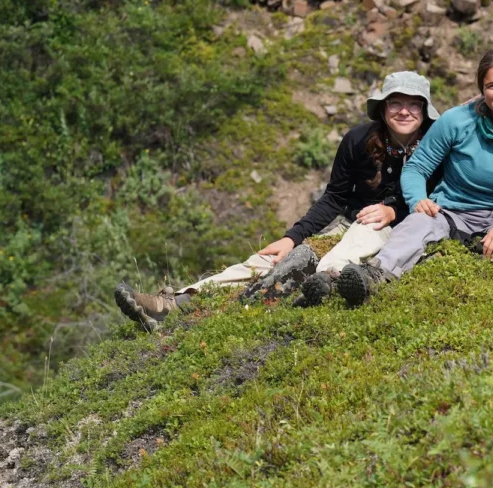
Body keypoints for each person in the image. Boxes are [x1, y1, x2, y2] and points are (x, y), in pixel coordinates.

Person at [113, 71, 440, 332]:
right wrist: (292, 236)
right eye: (396, 102)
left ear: (424, 110)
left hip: (392, 227)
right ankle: (177, 301)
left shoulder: (439, 143)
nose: (404, 111)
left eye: (414, 104)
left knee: (347, 246)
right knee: (267, 259)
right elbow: (334, 197)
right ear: (383, 107)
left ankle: (319, 288)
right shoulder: (358, 140)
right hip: (348, 219)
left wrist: (392, 210)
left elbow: (443, 196)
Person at [334, 46, 493, 306]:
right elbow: (416, 168)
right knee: (417, 223)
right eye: (492, 86)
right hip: (448, 214)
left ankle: (478, 246)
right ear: (482, 90)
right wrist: (417, 199)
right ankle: (376, 274)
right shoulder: (456, 120)